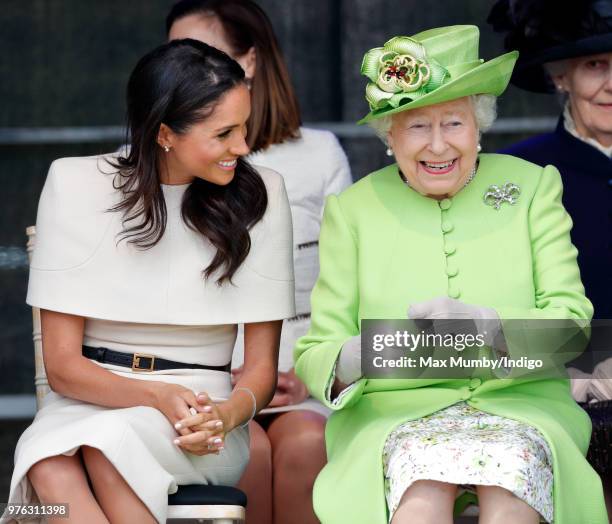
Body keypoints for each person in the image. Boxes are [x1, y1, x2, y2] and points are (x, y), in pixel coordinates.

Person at [294, 25, 609, 524]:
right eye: (417, 126)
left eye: (454, 124)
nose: (438, 146)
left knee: (512, 485)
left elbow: (573, 328)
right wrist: (369, 352)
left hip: (522, 409)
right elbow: (316, 353)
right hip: (395, 417)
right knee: (420, 497)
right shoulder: (352, 210)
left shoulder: (531, 188)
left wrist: (485, 325)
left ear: (478, 126)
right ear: (389, 136)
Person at [2, 39, 294, 524]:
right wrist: (154, 395)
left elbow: (260, 372)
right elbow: (62, 367)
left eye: (245, 127)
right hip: (84, 399)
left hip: (202, 411)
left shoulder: (262, 195)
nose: (243, 147)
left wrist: (226, 415)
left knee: (104, 449)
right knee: (48, 466)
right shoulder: (74, 184)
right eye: (224, 134)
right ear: (165, 134)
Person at [166, 2, 352, 523]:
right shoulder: (154, 158)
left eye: (203, 56)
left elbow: (348, 284)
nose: (186, 75)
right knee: (246, 455)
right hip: (198, 384)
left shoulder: (320, 154)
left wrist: (309, 375)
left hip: (303, 378)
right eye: (175, 58)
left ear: (248, 62)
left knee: (303, 446)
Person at [488, 0, 612, 321]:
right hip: (557, 366)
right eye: (595, 65)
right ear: (561, 76)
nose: (611, 85)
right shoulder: (516, 173)